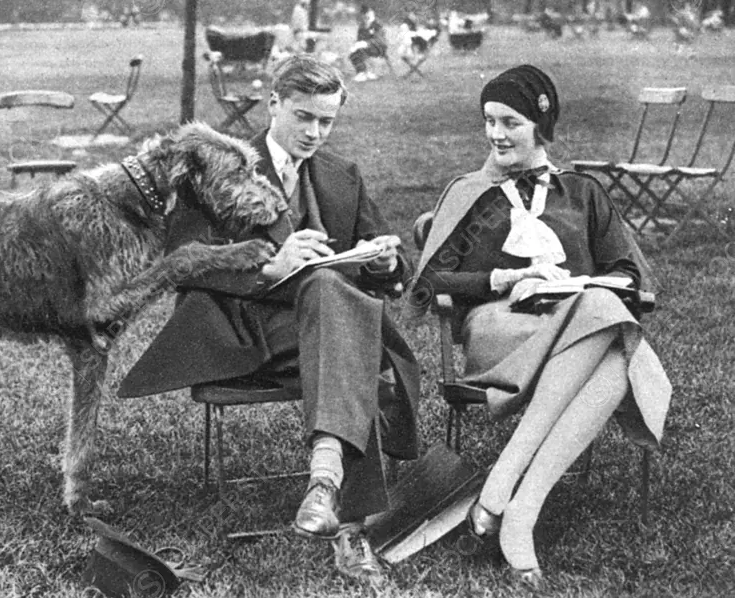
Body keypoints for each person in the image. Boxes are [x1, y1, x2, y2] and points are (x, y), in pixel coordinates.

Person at [119, 54, 420, 583]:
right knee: (349, 334)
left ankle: (324, 487)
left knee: (334, 300)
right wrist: (269, 265)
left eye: (327, 121)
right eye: (304, 117)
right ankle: (351, 529)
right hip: (245, 330)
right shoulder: (219, 165)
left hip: (322, 335)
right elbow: (183, 260)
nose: (314, 132)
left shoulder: (341, 175)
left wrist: (387, 261)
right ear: (274, 104)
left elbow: (388, 271)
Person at [410, 65, 672, 589]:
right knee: (617, 345)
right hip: (499, 328)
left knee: (604, 316)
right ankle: (511, 500)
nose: (496, 135)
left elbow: (627, 271)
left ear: (540, 128)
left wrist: (579, 286)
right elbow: (432, 279)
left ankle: (514, 506)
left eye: (511, 122)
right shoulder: (472, 195)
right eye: (489, 121)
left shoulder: (583, 192)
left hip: (573, 321)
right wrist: (505, 277)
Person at [349, 5, 388, 82]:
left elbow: (380, 40)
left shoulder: (377, 25)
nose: (366, 16)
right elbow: (359, 39)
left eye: (369, 14)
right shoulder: (362, 26)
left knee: (361, 51)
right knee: (353, 54)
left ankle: (368, 72)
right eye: (364, 15)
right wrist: (356, 45)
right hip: (365, 48)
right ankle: (361, 72)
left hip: (378, 48)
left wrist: (365, 43)